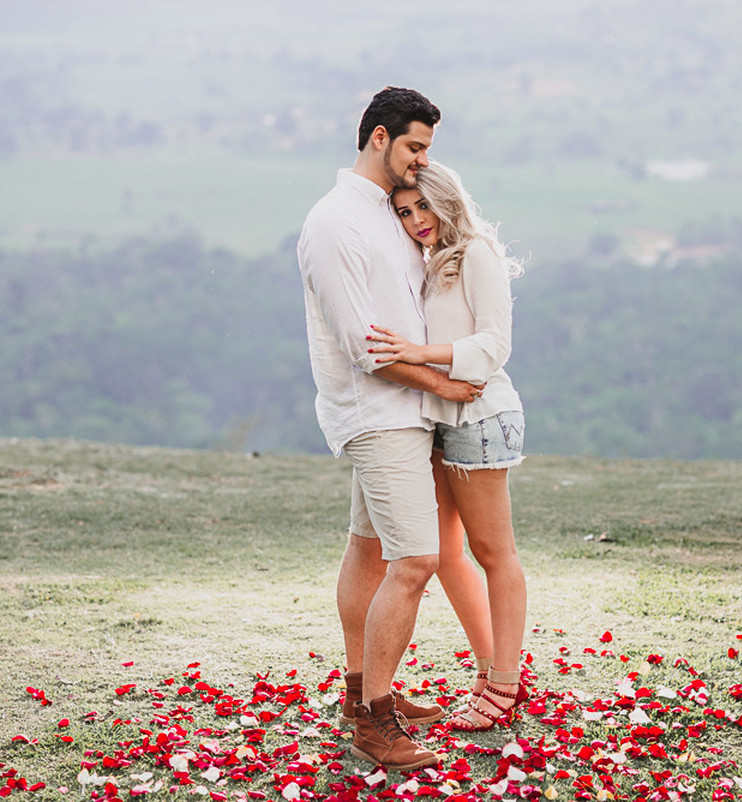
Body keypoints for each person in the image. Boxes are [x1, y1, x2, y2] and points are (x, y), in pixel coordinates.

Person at [296, 88, 484, 770]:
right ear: (378, 138)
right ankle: (375, 724)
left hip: (406, 412)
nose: (421, 162)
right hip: (378, 414)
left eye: (426, 149)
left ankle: (360, 693)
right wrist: (445, 384)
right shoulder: (334, 223)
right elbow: (363, 347)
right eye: (414, 147)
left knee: (369, 550)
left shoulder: (386, 215)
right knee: (418, 561)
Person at [366, 160, 528, 731]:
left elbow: (493, 345)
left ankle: (505, 683)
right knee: (445, 554)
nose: (416, 220)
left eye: (423, 206)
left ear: (447, 199)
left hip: (480, 416)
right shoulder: (431, 262)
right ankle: (488, 668)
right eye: (405, 212)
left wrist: (415, 353)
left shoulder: (477, 253)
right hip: (438, 420)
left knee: (494, 553)